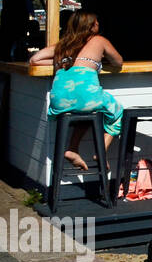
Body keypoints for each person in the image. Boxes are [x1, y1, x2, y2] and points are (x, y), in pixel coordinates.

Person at [29, 12, 124, 170]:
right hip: (87, 97)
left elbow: (34, 60)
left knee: (85, 114)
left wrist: (60, 62)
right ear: (91, 26)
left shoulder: (62, 45)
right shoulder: (99, 40)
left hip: (59, 100)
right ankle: (101, 152)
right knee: (117, 111)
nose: (98, 25)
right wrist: (98, 59)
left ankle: (72, 149)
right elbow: (118, 62)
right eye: (96, 22)